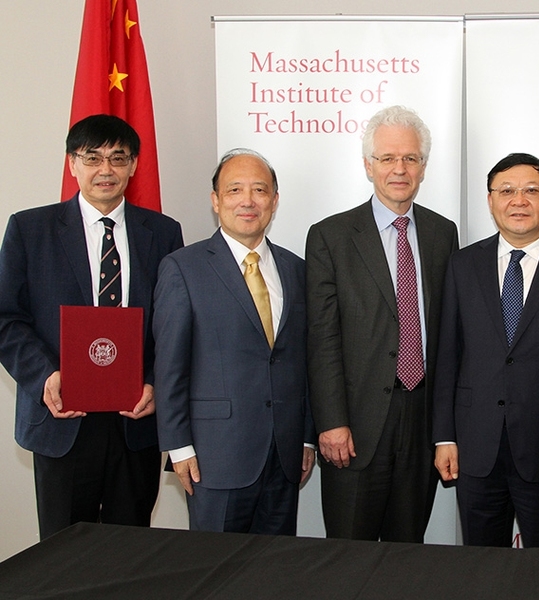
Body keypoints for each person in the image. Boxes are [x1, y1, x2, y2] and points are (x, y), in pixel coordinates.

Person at [0, 114, 184, 539]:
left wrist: (156, 382)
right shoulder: (30, 229)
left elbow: (175, 323)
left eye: (118, 158)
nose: (106, 170)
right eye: (93, 157)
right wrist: (44, 375)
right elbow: (6, 318)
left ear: (134, 165)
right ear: (72, 164)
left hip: (135, 419)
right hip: (62, 417)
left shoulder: (162, 232)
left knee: (130, 550)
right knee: (63, 555)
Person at [432, 153, 539, 548]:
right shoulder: (462, 265)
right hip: (476, 449)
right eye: (506, 191)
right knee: (480, 567)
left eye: (532, 190)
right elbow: (447, 359)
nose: (519, 200)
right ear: (491, 200)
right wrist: (444, 436)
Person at [306, 105, 458, 542]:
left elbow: (448, 333)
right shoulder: (330, 236)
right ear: (368, 165)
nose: (399, 168)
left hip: (423, 418)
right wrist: (331, 421)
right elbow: (322, 338)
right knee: (349, 554)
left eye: (410, 158)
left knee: (407, 551)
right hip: (355, 424)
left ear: (424, 168)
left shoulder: (442, 233)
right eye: (388, 158)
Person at [153, 148, 315, 534]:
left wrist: (307, 438)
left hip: (284, 455)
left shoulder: (296, 269)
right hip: (214, 458)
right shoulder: (182, 268)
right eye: (235, 190)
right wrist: (178, 446)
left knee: (274, 573)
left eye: (259, 190)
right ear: (215, 201)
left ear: (274, 201)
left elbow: (305, 363)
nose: (248, 200)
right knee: (215, 573)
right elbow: (170, 366)